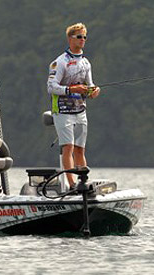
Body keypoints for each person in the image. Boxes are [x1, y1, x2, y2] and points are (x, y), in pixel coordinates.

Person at [46, 22, 100, 189]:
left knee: (80, 149)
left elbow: (89, 85)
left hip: (80, 110)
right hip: (62, 111)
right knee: (68, 147)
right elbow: (51, 87)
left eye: (84, 37)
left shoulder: (86, 63)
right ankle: (71, 184)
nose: (83, 39)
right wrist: (71, 89)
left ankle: (83, 182)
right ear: (70, 39)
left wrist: (94, 90)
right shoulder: (59, 62)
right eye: (79, 37)